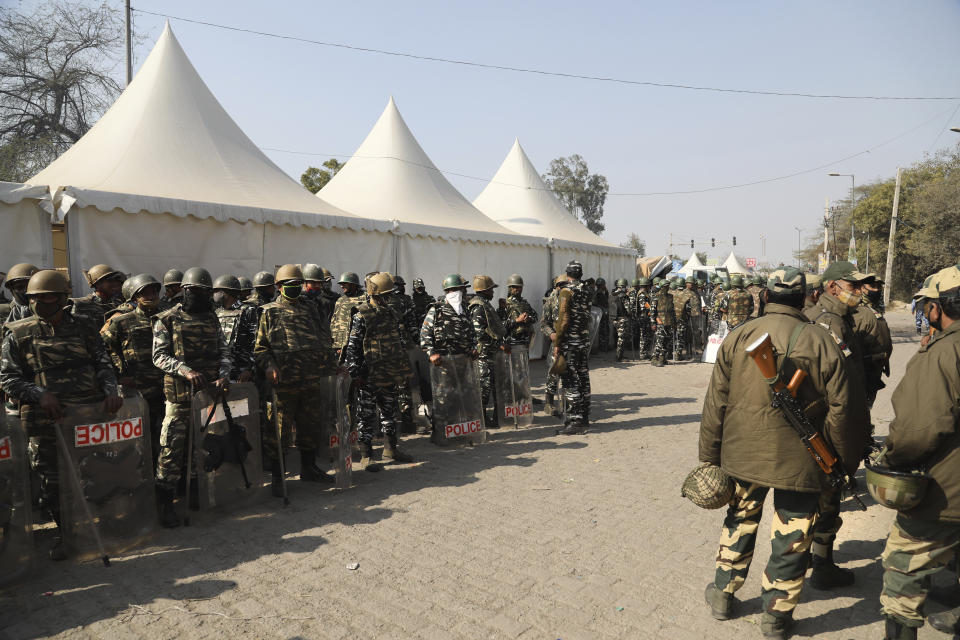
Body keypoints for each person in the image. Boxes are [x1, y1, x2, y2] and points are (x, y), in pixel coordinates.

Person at [699, 268, 865, 639]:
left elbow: (716, 405)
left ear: (764, 296)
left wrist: (709, 456)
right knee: (792, 536)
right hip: (801, 461)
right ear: (806, 296)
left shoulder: (738, 336)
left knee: (739, 521)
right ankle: (775, 616)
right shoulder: (822, 342)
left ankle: (724, 595)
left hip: (742, 455)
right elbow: (843, 410)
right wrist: (841, 461)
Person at [1, 269, 122, 559]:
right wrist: (40, 395)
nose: (39, 304)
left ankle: (105, 525)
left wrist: (110, 390)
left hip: (87, 415)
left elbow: (103, 364)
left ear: (62, 298)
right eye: (34, 299)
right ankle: (66, 534)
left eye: (47, 298)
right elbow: (7, 379)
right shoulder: (18, 333)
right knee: (51, 481)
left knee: (95, 472)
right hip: (45, 421)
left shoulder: (84, 327)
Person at [877, 266, 960, 640]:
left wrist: (892, 460)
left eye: (927, 305)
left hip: (947, 491)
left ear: (938, 308)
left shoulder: (943, 353)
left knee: (903, 573)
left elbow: (920, 429)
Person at [803, 260, 873, 588]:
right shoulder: (832, 322)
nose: (859, 292)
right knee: (829, 493)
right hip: (829, 425)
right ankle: (823, 565)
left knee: (811, 495)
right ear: (833, 288)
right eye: (853, 285)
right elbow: (844, 386)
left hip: (813, 421)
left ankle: (804, 554)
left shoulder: (821, 317)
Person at [152, 267, 232, 527]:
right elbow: (159, 356)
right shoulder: (166, 319)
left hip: (207, 395)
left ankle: (196, 492)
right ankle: (165, 502)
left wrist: (223, 375)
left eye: (203, 292)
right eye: (193, 291)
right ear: (183, 291)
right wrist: (185, 371)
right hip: (179, 397)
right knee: (172, 449)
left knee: (202, 444)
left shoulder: (211, 318)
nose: (197, 295)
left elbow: (224, 350)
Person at [255, 265, 338, 494]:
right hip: (285, 384)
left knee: (309, 426)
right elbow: (260, 349)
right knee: (279, 431)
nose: (293, 290)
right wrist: (270, 367)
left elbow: (324, 340)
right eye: (288, 286)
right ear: (279, 287)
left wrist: (334, 365)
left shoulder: (312, 308)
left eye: (296, 285)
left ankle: (309, 468)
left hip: (311, 379)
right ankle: (278, 477)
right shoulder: (268, 312)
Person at [343, 272, 415, 470]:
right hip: (369, 374)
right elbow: (353, 347)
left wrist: (402, 369)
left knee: (390, 412)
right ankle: (367, 455)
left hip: (389, 372)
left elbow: (399, 342)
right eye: (386, 294)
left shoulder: (391, 313)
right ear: (375, 294)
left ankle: (391, 449)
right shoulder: (361, 314)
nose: (389, 297)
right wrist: (355, 373)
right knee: (366, 415)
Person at [100, 273, 167, 469]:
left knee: (163, 435)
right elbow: (102, 350)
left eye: (153, 291)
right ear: (134, 296)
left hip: (164, 388)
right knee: (138, 437)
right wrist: (120, 376)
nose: (151, 295)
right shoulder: (120, 321)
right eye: (144, 292)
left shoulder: (167, 318)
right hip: (136, 391)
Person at [419, 274, 477, 442]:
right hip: (443, 362)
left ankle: (459, 431)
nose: (461, 292)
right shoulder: (436, 309)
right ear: (450, 291)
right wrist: (431, 353)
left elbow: (472, 334)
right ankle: (440, 433)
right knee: (444, 397)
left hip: (463, 361)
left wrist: (473, 348)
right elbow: (424, 334)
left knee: (462, 396)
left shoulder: (464, 309)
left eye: (462, 290)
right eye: (459, 289)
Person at [551, 261, 592, 435]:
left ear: (567, 274)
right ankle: (583, 416)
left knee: (571, 380)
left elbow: (564, 319)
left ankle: (575, 421)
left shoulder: (567, 291)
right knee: (583, 379)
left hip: (570, 343)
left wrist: (557, 343)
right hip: (583, 342)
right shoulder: (587, 290)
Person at [468, 275, 509, 429]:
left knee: (493, 385)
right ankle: (482, 420)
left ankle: (493, 419)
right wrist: (498, 344)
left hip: (491, 353)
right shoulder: (478, 307)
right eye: (491, 289)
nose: (493, 292)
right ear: (485, 290)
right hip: (484, 354)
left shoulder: (485, 304)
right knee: (483, 388)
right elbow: (480, 335)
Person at [854, 276, 893, 409]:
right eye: (872, 287)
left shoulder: (874, 309)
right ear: (861, 288)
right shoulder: (857, 311)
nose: (876, 290)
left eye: (879, 287)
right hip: (863, 372)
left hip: (874, 371)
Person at [212, 275, 258, 384]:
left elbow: (256, 342)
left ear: (225, 293)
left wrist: (249, 369)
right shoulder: (217, 312)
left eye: (216, 291)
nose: (214, 295)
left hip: (241, 374)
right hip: (222, 373)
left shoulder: (248, 311)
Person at [540, 275, 565, 413]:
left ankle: (569, 402)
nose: (562, 287)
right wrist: (551, 333)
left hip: (571, 342)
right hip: (556, 343)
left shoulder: (573, 298)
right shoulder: (551, 300)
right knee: (553, 372)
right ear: (556, 286)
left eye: (565, 284)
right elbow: (543, 323)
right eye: (560, 285)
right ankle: (549, 402)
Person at [330, 272, 366, 358]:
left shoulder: (365, 298)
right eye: (341, 284)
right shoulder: (340, 300)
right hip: (341, 344)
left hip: (357, 342)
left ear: (353, 285)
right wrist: (336, 343)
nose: (341, 286)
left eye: (344, 284)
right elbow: (334, 322)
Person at [500, 274, 539, 348]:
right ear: (510, 288)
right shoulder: (505, 304)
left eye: (519, 287)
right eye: (514, 287)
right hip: (512, 342)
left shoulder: (525, 303)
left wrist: (529, 318)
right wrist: (517, 320)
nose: (517, 289)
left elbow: (536, 317)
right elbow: (500, 325)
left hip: (525, 341)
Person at [651, 280, 675, 367]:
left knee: (667, 342)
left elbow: (673, 311)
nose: (667, 288)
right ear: (661, 287)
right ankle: (654, 358)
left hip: (669, 321)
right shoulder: (656, 296)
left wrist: (674, 322)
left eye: (668, 286)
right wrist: (653, 323)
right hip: (660, 322)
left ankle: (662, 358)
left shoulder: (670, 296)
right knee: (659, 341)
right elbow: (652, 311)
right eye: (665, 286)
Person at [611, 278, 633, 362]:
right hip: (622, 319)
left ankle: (619, 355)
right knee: (622, 338)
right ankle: (619, 356)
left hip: (614, 319)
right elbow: (629, 310)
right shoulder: (623, 296)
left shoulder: (612, 294)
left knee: (618, 337)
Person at [594, 277, 610, 352]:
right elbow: (595, 304)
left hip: (604, 315)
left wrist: (606, 291)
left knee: (606, 330)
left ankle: (605, 346)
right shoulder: (597, 294)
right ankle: (603, 347)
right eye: (604, 285)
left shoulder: (602, 293)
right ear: (601, 285)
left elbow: (606, 300)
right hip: (601, 315)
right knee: (603, 331)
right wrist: (603, 309)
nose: (605, 286)